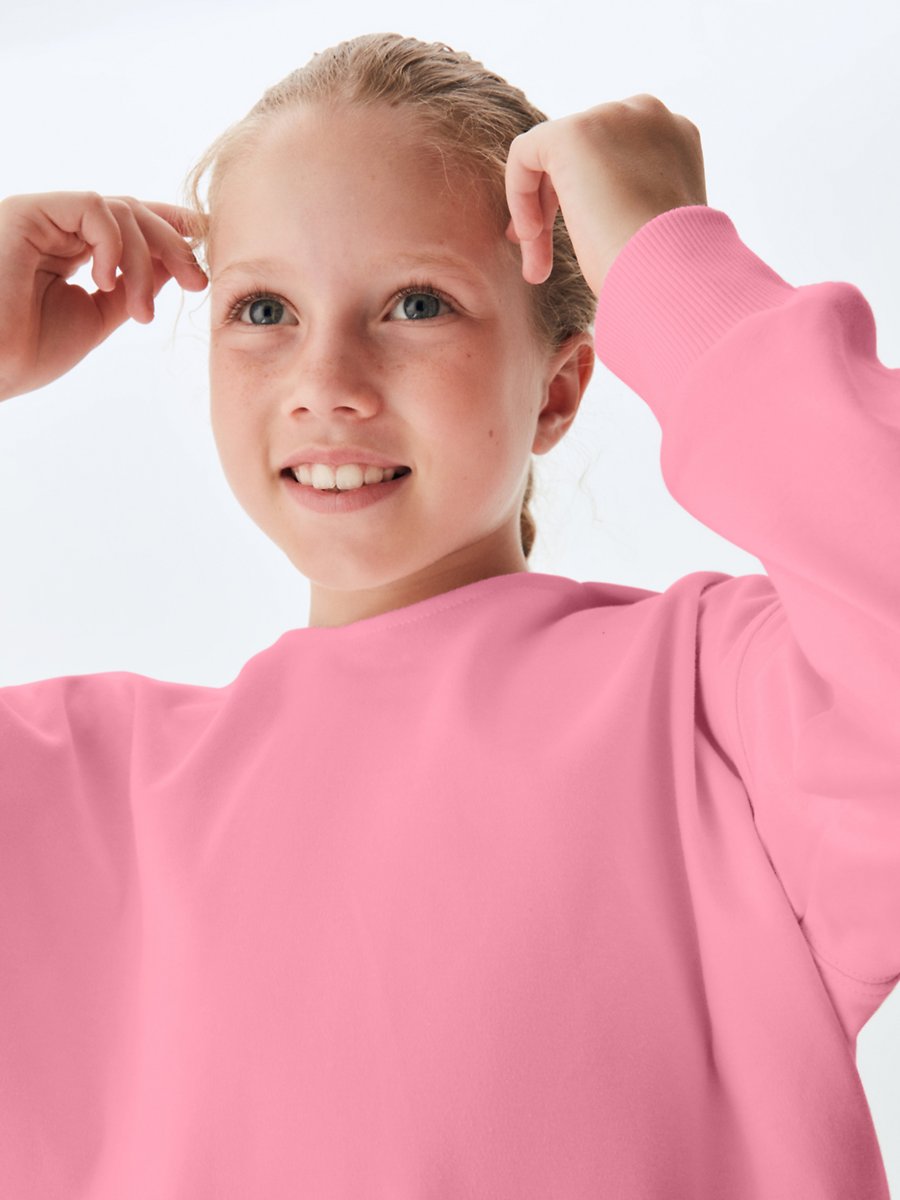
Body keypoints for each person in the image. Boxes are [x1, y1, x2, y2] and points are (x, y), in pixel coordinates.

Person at [0, 30, 897, 1200]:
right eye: (263, 308)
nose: (327, 381)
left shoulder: (718, 711)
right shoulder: (78, 790)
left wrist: (676, 268)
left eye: (416, 303)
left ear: (560, 389)